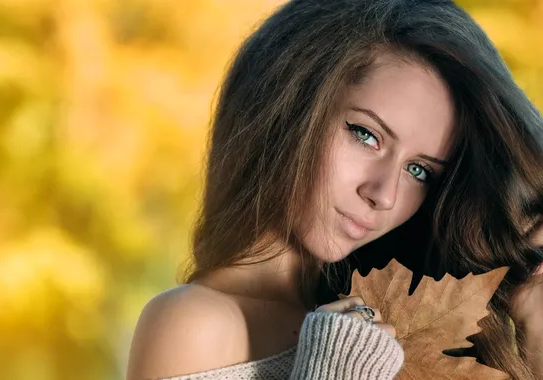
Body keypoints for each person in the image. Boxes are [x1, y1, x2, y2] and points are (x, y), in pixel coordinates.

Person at [127, 0, 543, 379]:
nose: (385, 195)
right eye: (365, 135)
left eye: (419, 170)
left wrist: (536, 335)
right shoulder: (194, 324)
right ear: (289, 107)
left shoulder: (416, 319)